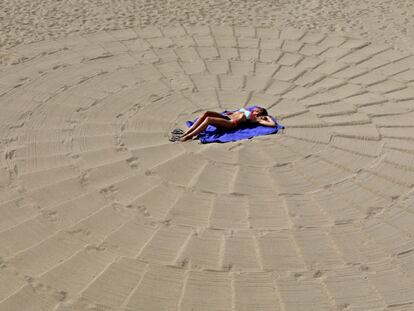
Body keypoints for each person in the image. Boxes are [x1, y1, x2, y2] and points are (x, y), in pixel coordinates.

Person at [178, 106, 276, 142]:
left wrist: (267, 117)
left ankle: (190, 136)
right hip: (226, 117)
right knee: (206, 113)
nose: (255, 108)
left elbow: (272, 125)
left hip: (230, 123)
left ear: (259, 112)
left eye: (258, 109)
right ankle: (188, 131)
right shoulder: (249, 111)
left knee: (208, 119)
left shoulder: (256, 119)